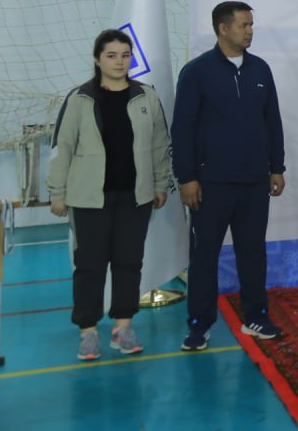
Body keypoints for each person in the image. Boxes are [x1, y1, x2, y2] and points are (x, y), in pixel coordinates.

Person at [47, 29, 172, 361]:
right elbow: (62, 147)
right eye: (112, 55)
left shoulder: (146, 96)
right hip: (88, 199)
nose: (119, 62)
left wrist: (160, 183)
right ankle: (88, 331)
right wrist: (57, 192)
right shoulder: (80, 98)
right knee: (89, 265)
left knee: (129, 263)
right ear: (97, 59)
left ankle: (123, 327)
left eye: (125, 55)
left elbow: (160, 144)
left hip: (135, 198)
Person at [173, 1, 286, 351]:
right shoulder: (196, 72)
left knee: (252, 253)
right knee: (204, 256)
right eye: (243, 25)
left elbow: (272, 121)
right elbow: (183, 128)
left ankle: (256, 316)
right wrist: (186, 178)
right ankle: (199, 324)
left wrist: (277, 167)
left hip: (254, 182)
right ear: (223, 29)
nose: (250, 31)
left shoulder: (260, 69)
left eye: (251, 24)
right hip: (210, 184)